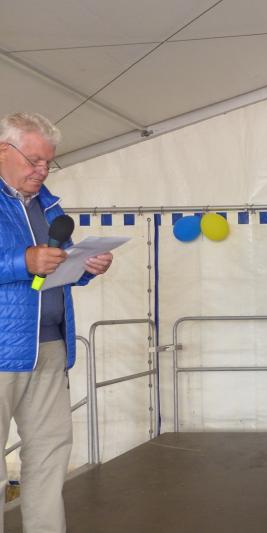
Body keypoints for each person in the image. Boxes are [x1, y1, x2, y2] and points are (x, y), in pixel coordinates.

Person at [0, 112, 113, 532]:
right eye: (34, 160)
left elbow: (55, 266)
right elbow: (30, 264)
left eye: (48, 162)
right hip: (3, 350)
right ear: (2, 150)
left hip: (49, 346)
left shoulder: (49, 204)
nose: (42, 170)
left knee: (50, 456)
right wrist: (23, 261)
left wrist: (85, 267)